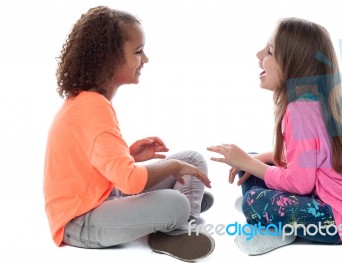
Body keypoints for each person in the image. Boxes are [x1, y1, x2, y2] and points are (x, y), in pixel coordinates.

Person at [43, 6, 214, 262]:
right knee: (175, 200)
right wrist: (172, 166)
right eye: (138, 52)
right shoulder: (93, 107)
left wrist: (129, 155)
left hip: (104, 196)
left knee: (192, 160)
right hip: (79, 222)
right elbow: (131, 182)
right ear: (109, 59)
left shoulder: (87, 102)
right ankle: (179, 217)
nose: (145, 59)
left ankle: (177, 218)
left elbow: (95, 163)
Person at [207, 17, 342, 255]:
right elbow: (307, 158)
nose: (259, 54)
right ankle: (271, 216)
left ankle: (275, 226)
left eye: (269, 51)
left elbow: (300, 184)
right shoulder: (317, 103)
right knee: (254, 164)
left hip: (338, 223)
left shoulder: (299, 111)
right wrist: (252, 160)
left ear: (293, 64)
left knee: (252, 199)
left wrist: (247, 163)